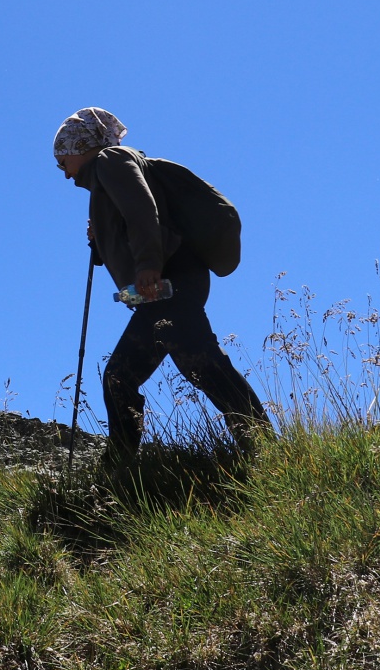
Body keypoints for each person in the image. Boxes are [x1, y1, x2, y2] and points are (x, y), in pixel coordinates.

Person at [54, 107, 270, 456]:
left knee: (191, 365)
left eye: (62, 161)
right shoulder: (110, 175)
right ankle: (122, 464)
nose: (64, 174)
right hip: (172, 280)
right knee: (134, 375)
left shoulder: (112, 159)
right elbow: (136, 218)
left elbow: (142, 209)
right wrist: (102, 240)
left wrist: (148, 265)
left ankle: (262, 445)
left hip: (170, 276)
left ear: (81, 146)